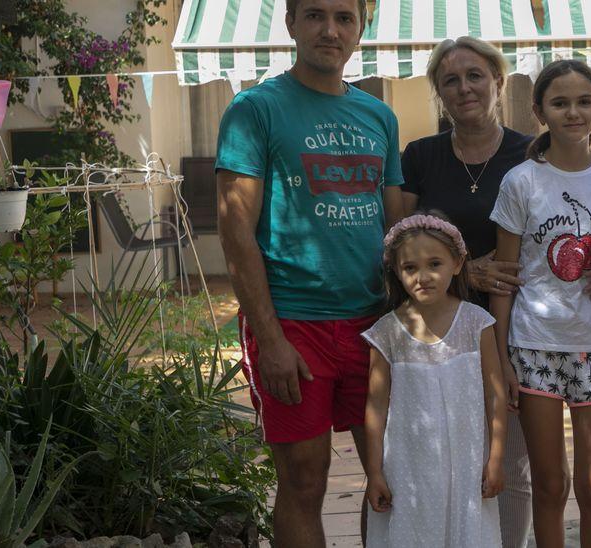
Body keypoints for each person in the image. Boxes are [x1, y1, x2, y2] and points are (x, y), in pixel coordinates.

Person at [398, 36, 591, 547]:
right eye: (450, 79)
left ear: (499, 83)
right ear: (437, 91)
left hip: (525, 328)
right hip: (448, 329)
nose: (465, 88)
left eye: (476, 75)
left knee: (518, 470)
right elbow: (400, 246)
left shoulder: (534, 154)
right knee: (448, 457)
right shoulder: (421, 156)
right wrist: (463, 273)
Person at [215, 0, 400, 545]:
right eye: (315, 15)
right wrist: (268, 338)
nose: (330, 30)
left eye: (345, 18)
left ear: (360, 29)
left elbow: (398, 230)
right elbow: (234, 230)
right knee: (302, 483)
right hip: (294, 324)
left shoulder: (379, 116)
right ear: (291, 23)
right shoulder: (255, 110)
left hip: (373, 326)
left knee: (390, 480)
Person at [488, 60, 591, 548]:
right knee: (550, 484)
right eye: (560, 102)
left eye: (583, 101)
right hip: (534, 349)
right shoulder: (521, 182)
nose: (573, 112)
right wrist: (504, 357)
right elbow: (505, 279)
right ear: (539, 111)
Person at [362, 213, 508, 547]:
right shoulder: (387, 333)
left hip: (467, 467)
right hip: (409, 469)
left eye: (434, 264)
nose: (422, 276)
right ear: (397, 273)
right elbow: (375, 407)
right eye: (410, 268)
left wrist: (496, 458)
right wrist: (374, 472)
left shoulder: (476, 323)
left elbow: (495, 396)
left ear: (457, 264)